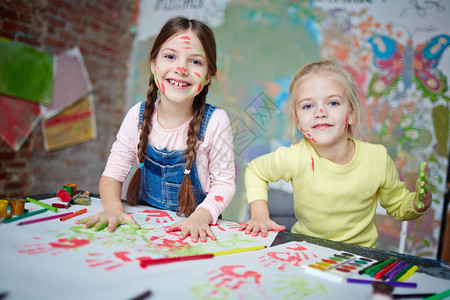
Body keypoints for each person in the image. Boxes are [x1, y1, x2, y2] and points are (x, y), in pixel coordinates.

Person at [240, 60, 432, 247]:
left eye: (333, 103)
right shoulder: (296, 156)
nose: (320, 112)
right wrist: (259, 216)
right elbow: (255, 170)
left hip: (358, 260)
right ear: (298, 121)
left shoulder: (377, 158)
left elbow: (398, 206)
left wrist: (417, 203)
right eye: (308, 106)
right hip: (305, 252)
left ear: (353, 113)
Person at [78, 16, 236, 243]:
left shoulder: (216, 121)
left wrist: (200, 218)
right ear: (154, 64)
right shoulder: (137, 116)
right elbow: (112, 174)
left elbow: (224, 184)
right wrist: (113, 208)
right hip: (142, 229)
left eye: (195, 62)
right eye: (170, 57)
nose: (181, 68)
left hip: (193, 232)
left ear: (208, 74)